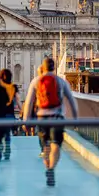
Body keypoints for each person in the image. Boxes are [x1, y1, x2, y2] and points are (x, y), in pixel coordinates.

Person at [21, 57, 79, 187]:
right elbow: (72, 101)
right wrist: (75, 119)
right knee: (56, 145)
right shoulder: (61, 81)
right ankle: (52, 168)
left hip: (42, 118)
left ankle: (47, 166)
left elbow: (29, 102)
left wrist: (25, 121)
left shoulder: (36, 81)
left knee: (46, 145)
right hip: (57, 117)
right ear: (54, 68)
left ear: (43, 67)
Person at [0, 68, 18, 160]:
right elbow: (18, 100)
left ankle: (0, 150)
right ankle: (7, 151)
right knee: (7, 134)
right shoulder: (13, 87)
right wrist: (23, 111)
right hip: (10, 115)